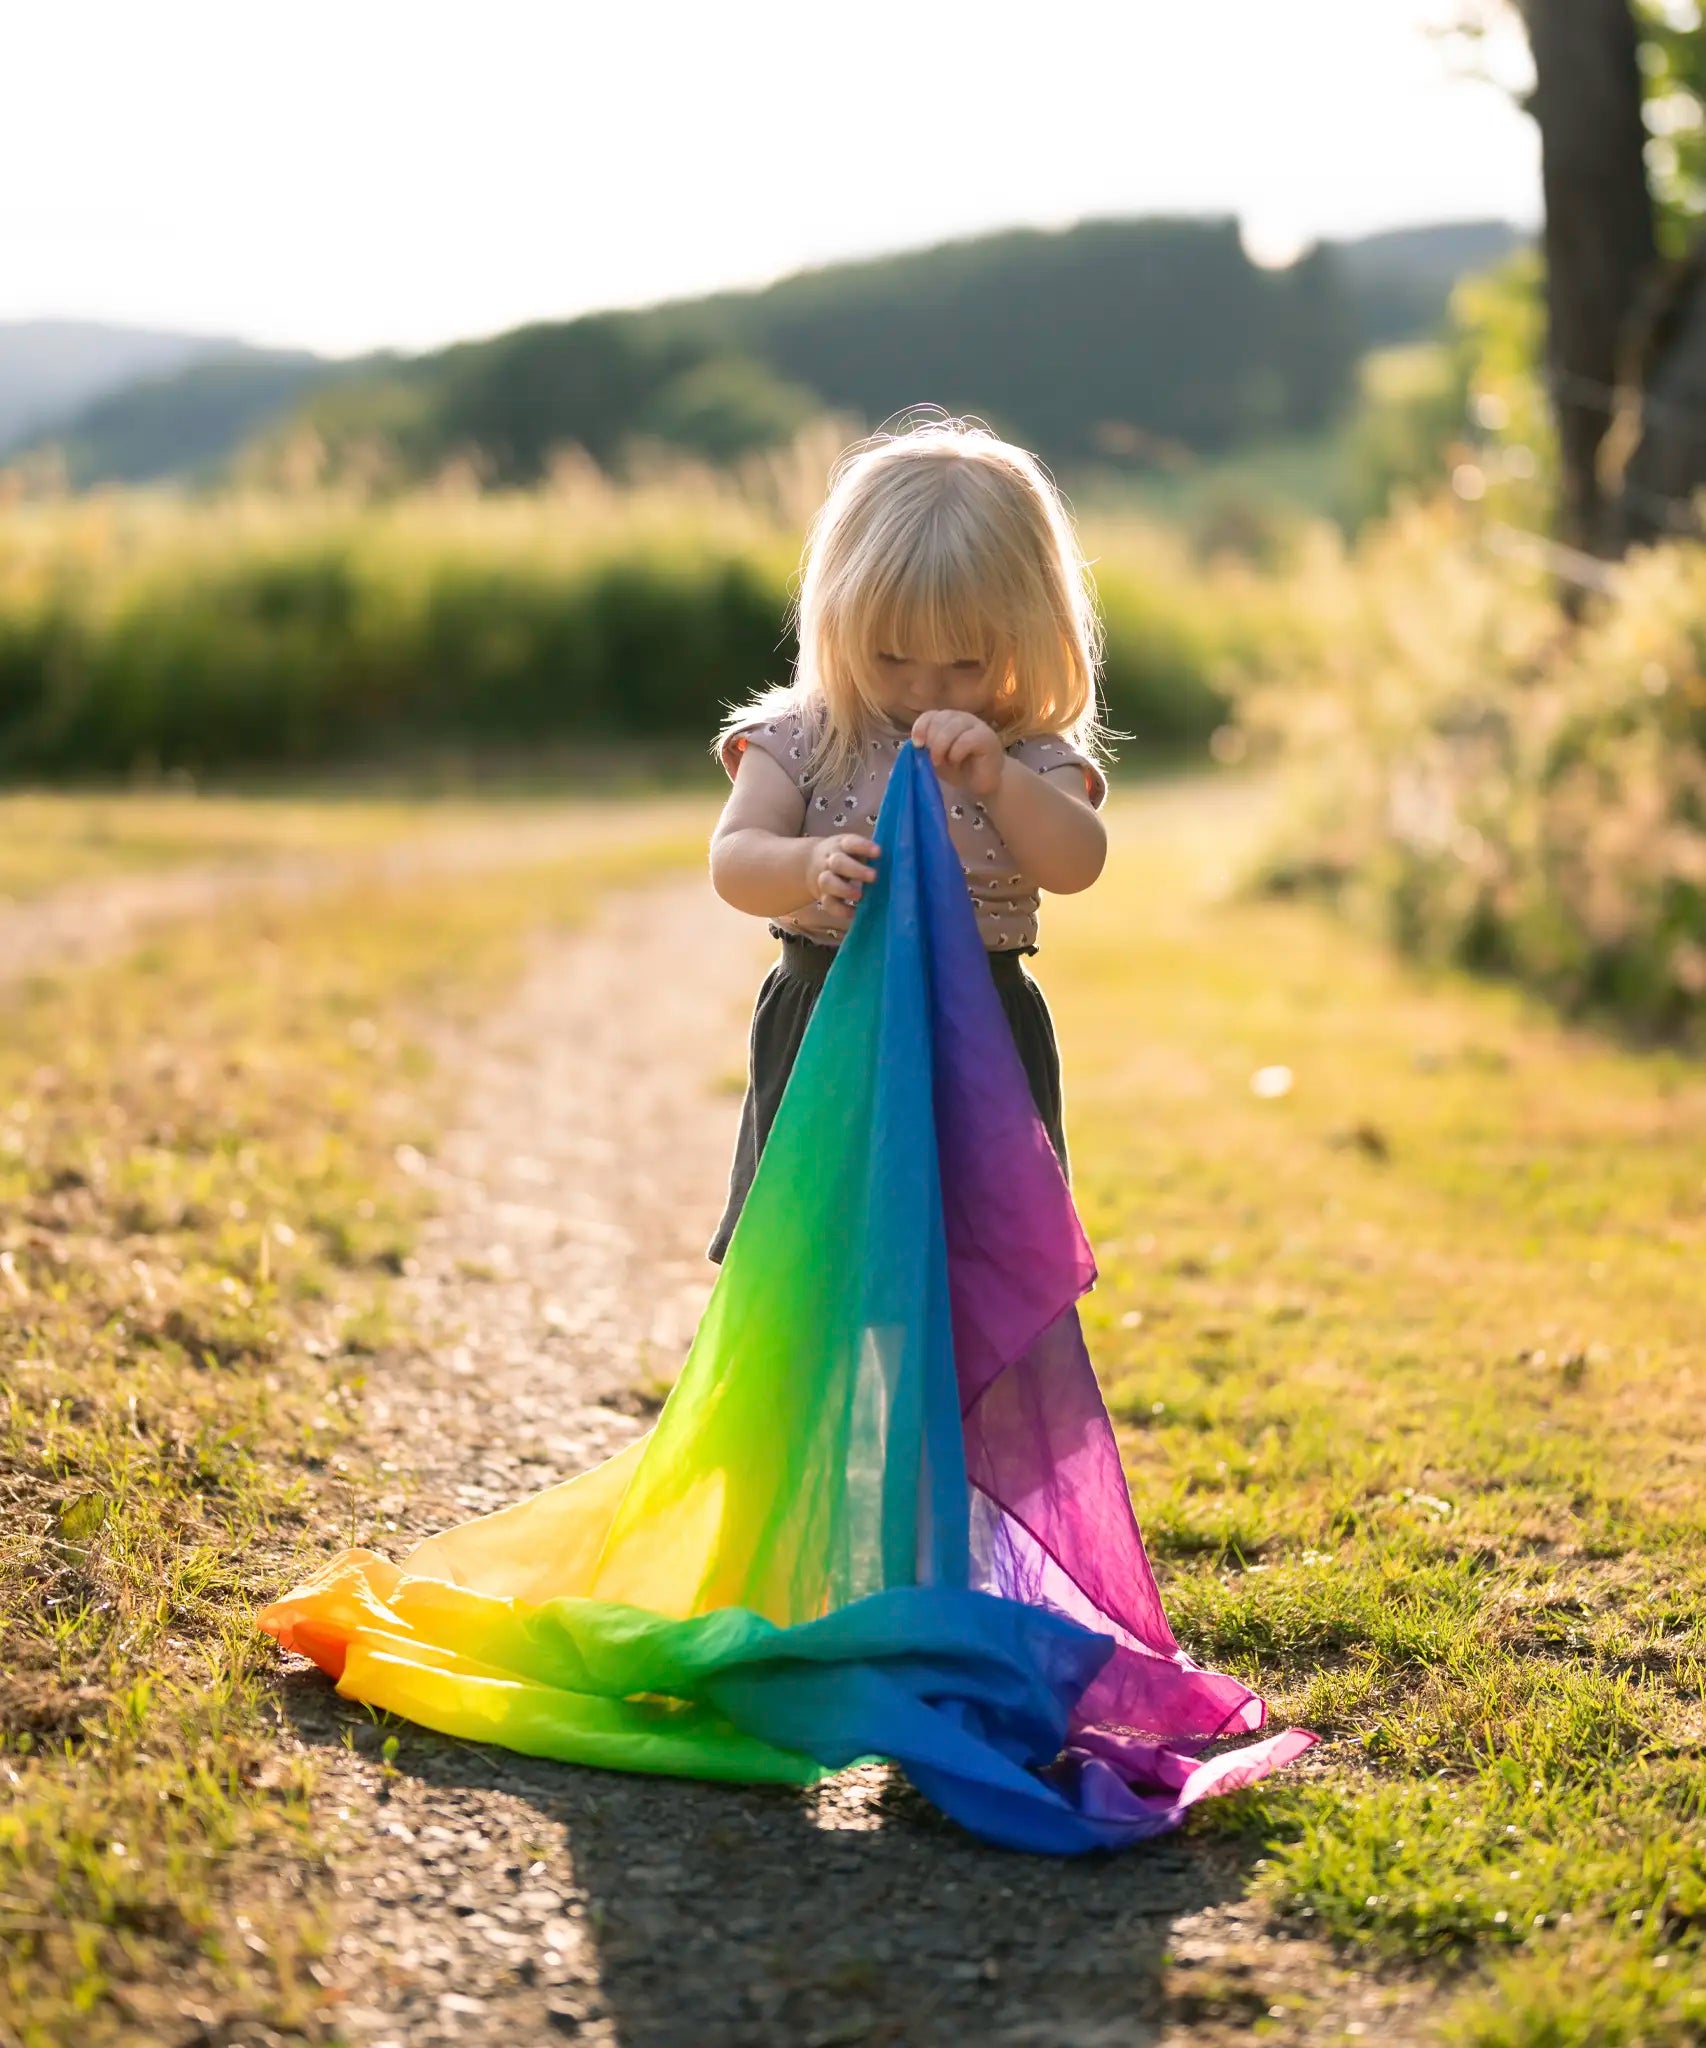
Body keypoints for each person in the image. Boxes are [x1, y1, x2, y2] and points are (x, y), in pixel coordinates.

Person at [705, 413, 1113, 1264]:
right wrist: (806, 866)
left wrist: (999, 782)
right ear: (839, 622)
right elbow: (734, 863)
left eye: (965, 662)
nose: (926, 685)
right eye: (892, 657)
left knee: (973, 1262)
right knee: (820, 1256)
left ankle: (946, 1403)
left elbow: (1079, 863)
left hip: (981, 1033)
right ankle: (834, 1400)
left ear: (1029, 635)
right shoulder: (806, 737)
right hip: (831, 1026)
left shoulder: (1029, 755)